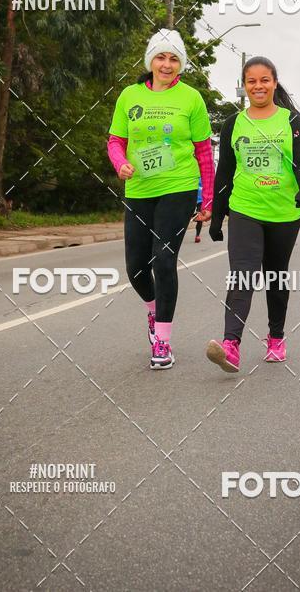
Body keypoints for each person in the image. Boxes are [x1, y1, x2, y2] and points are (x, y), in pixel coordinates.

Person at [206, 56, 300, 373]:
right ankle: (230, 345)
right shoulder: (234, 123)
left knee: (275, 274)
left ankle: (276, 337)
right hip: (245, 207)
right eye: (251, 81)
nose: (258, 86)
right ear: (244, 87)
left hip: (284, 212)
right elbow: (225, 174)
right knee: (243, 274)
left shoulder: (290, 121)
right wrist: (217, 216)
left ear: (274, 82)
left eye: (264, 80)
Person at [107, 28, 214, 370]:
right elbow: (115, 141)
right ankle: (154, 312)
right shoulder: (129, 96)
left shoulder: (191, 99)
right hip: (139, 190)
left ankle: (163, 342)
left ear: (180, 64)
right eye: (161, 57)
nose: (166, 64)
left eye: (173, 58)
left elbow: (203, 152)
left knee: (164, 261)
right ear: (150, 61)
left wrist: (207, 199)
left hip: (178, 188)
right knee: (136, 268)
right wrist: (120, 163)